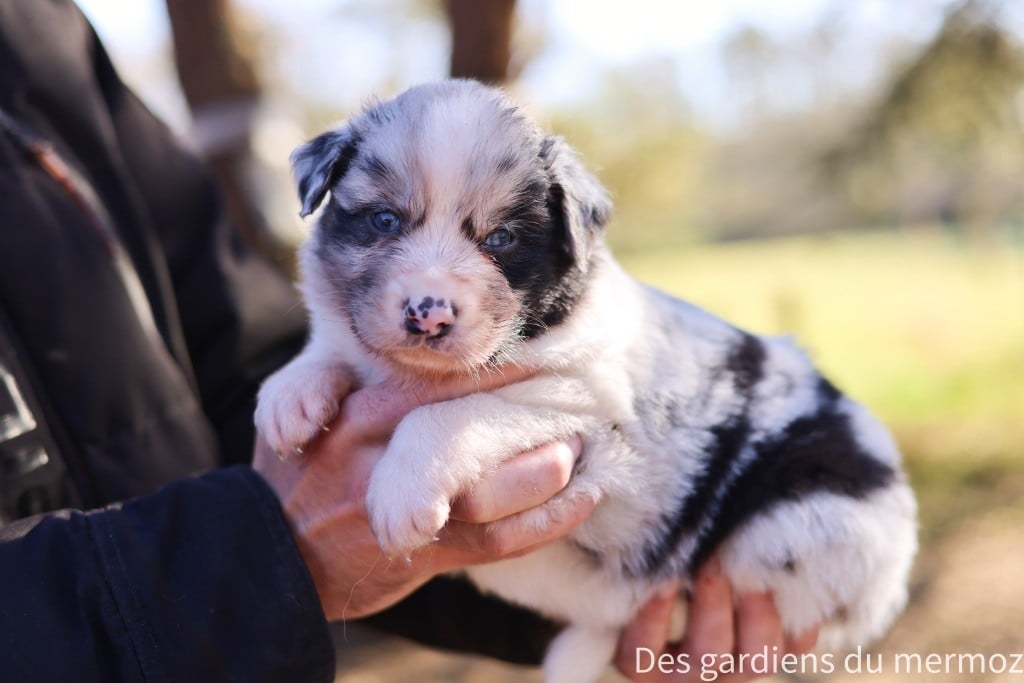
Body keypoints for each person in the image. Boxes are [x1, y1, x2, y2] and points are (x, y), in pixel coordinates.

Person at [0, 1, 815, 681]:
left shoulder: (36, 31)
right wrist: (253, 553)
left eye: (497, 241)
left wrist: (602, 604)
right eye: (385, 221)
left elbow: (238, 354)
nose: (428, 299)